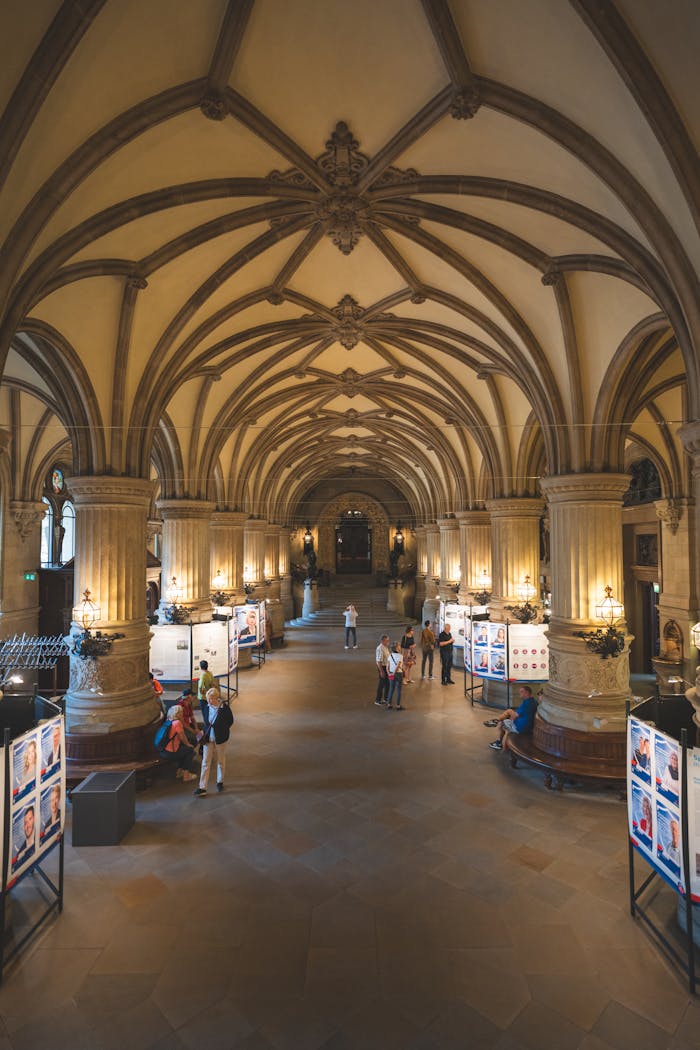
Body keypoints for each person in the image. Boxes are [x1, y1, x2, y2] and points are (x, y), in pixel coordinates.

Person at [194, 686, 234, 797]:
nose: (208, 701)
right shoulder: (206, 707)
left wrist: (222, 729)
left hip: (220, 738)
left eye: (210, 699)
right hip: (208, 739)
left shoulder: (224, 709)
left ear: (215, 698)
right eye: (207, 699)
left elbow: (230, 721)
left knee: (221, 760)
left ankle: (220, 781)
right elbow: (207, 722)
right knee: (205, 762)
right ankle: (202, 787)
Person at [161, 704, 198, 781]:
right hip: (171, 751)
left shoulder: (169, 720)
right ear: (178, 714)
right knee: (190, 751)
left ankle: (180, 771)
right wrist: (188, 745)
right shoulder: (177, 723)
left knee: (185, 749)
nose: (182, 714)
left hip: (164, 749)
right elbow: (182, 737)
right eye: (181, 712)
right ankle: (186, 775)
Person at [386, 643, 405, 710]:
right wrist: (394, 673)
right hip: (398, 674)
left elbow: (387, 665)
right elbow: (398, 665)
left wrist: (389, 673)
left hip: (391, 673)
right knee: (398, 690)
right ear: (397, 648)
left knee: (391, 689)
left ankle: (389, 704)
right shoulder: (400, 656)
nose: (400, 647)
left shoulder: (390, 655)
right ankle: (398, 705)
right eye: (399, 646)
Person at [374, 634, 391, 706]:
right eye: (387, 640)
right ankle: (377, 700)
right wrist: (381, 671)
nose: (388, 642)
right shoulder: (380, 648)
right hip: (382, 667)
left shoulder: (385, 647)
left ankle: (386, 698)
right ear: (383, 641)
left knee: (387, 684)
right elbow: (378, 661)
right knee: (381, 684)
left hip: (386, 667)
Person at [197, 659, 214, 724]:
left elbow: (200, 686)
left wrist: (202, 693)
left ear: (200, 667)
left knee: (204, 713)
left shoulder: (203, 675)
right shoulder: (210, 673)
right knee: (209, 711)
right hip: (209, 695)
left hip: (203, 697)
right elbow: (212, 683)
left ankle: (207, 726)